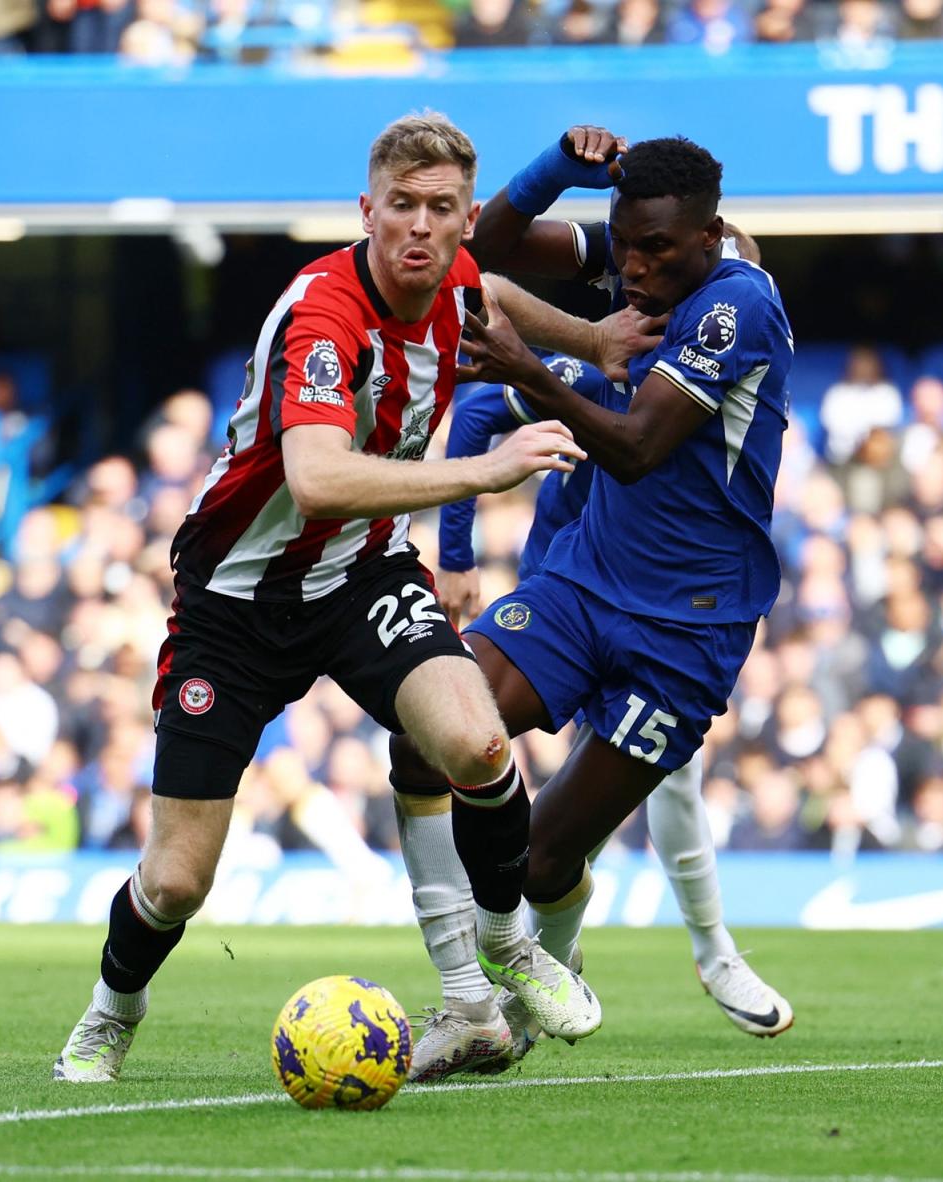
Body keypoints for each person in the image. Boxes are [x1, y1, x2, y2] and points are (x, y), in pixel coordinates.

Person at [53, 111, 601, 1084]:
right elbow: (317, 479)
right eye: (401, 207)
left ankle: (507, 943)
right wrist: (483, 470)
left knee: (476, 740)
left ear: (466, 219)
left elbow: (501, 291)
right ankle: (111, 1012)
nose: (420, 229)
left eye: (441, 209)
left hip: (361, 573)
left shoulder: (460, 279)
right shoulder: (324, 316)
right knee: (178, 880)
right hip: (236, 601)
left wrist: (595, 339)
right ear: (367, 208)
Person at [392, 126, 795, 1080]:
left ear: (710, 236)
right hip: (581, 584)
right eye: (628, 242)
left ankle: (594, 961)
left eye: (659, 249)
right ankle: (471, 994)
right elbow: (484, 248)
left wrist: (530, 366)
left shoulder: (737, 305)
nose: (638, 267)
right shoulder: (643, 251)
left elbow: (636, 446)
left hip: (688, 630)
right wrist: (553, 173)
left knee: (537, 859)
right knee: (428, 731)